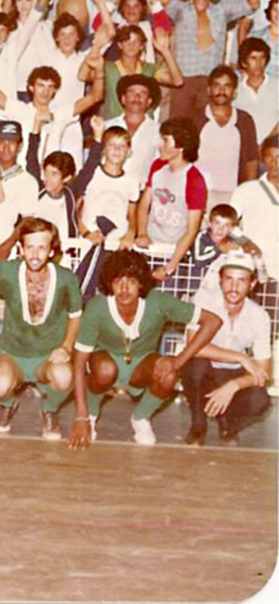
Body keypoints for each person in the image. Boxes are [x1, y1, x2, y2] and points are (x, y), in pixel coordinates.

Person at [68, 250, 223, 449]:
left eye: (131, 281)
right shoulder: (98, 307)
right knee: (105, 369)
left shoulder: (157, 301)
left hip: (141, 365)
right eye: (117, 281)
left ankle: (141, 418)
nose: (124, 288)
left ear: (141, 282)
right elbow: (79, 363)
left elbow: (212, 321)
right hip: (106, 364)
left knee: (168, 374)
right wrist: (81, 417)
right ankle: (92, 413)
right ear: (109, 283)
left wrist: (178, 361)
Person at [0, 216, 81, 440]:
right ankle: (8, 405)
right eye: (30, 247)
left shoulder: (66, 279)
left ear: (52, 251)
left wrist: (66, 348)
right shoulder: (7, 271)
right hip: (13, 354)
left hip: (48, 355)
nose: (35, 254)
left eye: (41, 247)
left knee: (64, 377)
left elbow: (75, 316)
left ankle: (49, 410)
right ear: (21, 249)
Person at [182, 251, 272, 446]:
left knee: (260, 398)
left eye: (241, 281)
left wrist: (233, 386)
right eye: (229, 279)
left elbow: (264, 372)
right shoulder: (204, 301)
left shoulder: (260, 316)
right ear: (220, 280)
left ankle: (228, 425)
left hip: (232, 375)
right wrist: (241, 357)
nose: (234, 287)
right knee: (195, 366)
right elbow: (194, 347)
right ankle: (198, 425)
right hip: (205, 371)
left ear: (252, 284)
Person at [162, 0, 260, 121]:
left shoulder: (221, 11)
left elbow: (252, 4)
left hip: (211, 80)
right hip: (183, 79)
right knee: (178, 127)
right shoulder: (181, 9)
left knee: (207, 128)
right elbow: (164, 0)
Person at [135, 119, 208, 281]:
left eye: (166, 140)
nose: (160, 144)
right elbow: (143, 205)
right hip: (149, 249)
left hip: (174, 254)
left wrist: (170, 267)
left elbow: (191, 230)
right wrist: (142, 233)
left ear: (181, 145)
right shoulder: (157, 167)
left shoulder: (194, 180)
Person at [191, 65, 261, 207]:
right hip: (199, 193)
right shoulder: (195, 120)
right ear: (209, 90)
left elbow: (252, 160)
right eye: (217, 85)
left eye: (227, 86)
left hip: (233, 195)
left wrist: (247, 193)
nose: (221, 91)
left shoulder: (244, 120)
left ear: (235, 92)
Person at [230, 135, 279, 279]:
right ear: (263, 158)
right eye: (269, 156)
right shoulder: (247, 190)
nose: (274, 162)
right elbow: (226, 222)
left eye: (278, 157)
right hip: (256, 269)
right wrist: (244, 241)